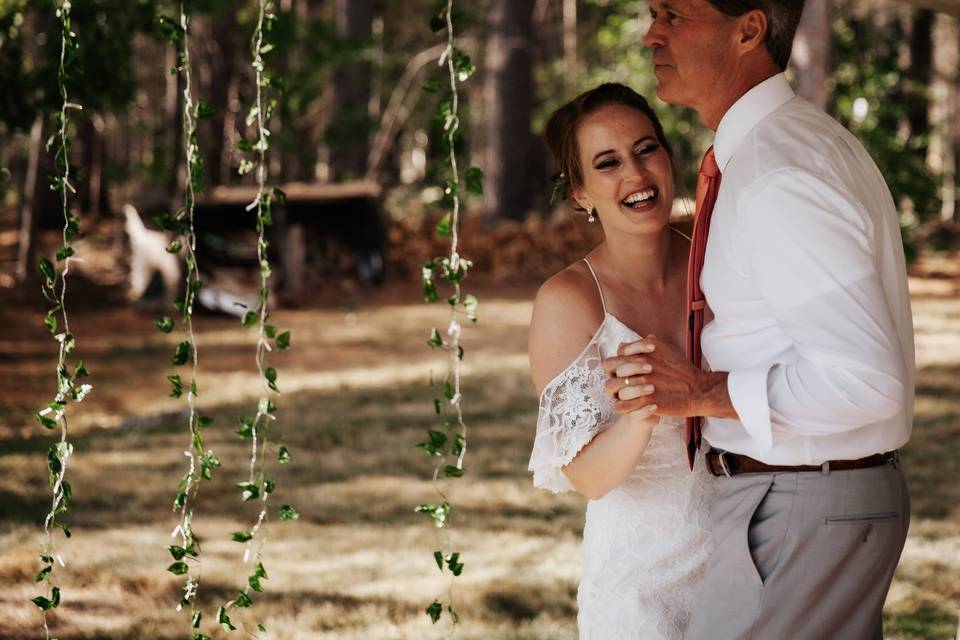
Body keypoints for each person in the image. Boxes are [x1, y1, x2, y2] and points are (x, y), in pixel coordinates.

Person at [602, 2, 914, 638]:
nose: (651, 33)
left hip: (802, 504)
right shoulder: (773, 149)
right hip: (801, 500)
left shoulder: (781, 171)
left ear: (748, 30)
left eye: (674, 14)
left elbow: (865, 379)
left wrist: (700, 393)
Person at [527, 82, 713, 639]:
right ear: (581, 192)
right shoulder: (568, 301)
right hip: (640, 590)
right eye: (607, 163)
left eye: (645, 149)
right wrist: (640, 415)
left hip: (750, 560)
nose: (634, 174)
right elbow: (586, 476)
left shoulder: (719, 264)